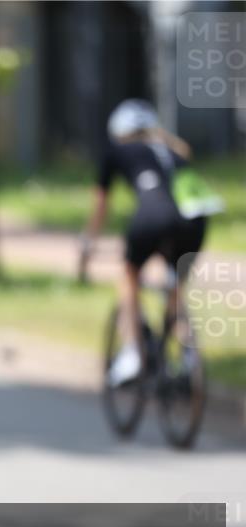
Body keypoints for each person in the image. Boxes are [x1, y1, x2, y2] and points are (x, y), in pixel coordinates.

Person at [80, 99, 207, 386]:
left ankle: (132, 354)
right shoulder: (175, 151)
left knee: (128, 277)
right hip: (195, 221)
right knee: (175, 288)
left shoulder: (116, 150)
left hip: (152, 215)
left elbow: (101, 204)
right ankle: (189, 361)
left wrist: (88, 243)